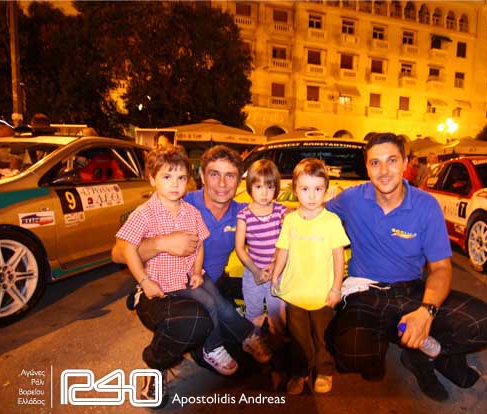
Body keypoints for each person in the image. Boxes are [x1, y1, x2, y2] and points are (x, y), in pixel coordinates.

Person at [326, 133, 487, 401]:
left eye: (392, 160)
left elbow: (441, 268)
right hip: (365, 293)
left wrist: (426, 312)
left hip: (411, 292)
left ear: (405, 163)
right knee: (352, 353)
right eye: (375, 163)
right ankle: (400, 345)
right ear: (367, 168)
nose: (384, 171)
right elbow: (311, 212)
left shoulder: (426, 205)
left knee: (485, 323)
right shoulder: (351, 199)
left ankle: (421, 355)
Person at [111, 145, 270, 379]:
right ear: (202, 176)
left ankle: (242, 337)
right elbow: (118, 253)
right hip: (161, 287)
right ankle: (159, 364)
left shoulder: (241, 212)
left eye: (230, 176)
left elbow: (278, 215)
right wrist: (162, 244)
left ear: (239, 181)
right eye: (214, 174)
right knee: (195, 323)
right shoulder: (171, 202)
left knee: (223, 311)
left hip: (202, 280)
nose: (222, 183)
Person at [115, 145, 213, 406]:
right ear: (152, 179)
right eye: (167, 177)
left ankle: (190, 347)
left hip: (184, 286)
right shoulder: (144, 213)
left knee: (207, 316)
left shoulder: (192, 213)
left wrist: (196, 271)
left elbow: (199, 244)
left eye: (181, 177)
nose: (175, 184)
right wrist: (144, 281)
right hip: (156, 292)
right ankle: (155, 364)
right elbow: (126, 249)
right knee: (191, 322)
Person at [271, 158, 350, 395]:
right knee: (298, 337)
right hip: (295, 291)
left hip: (323, 293)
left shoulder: (331, 221)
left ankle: (324, 370)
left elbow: (339, 257)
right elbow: (283, 249)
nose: (312, 195)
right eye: (305, 189)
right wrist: (275, 274)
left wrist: (336, 288)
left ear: (326, 190)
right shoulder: (290, 220)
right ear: (295, 190)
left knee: (324, 336)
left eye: (318, 189)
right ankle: (300, 371)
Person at [235, 159, 288, 339]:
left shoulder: (281, 212)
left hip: (278, 272)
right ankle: (254, 341)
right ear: (250, 187)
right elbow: (240, 248)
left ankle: (278, 343)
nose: (264, 193)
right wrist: (256, 271)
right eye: (258, 187)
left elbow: (286, 243)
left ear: (276, 188)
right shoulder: (244, 215)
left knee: (278, 313)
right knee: (253, 312)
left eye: (270, 187)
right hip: (253, 273)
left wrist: (275, 265)